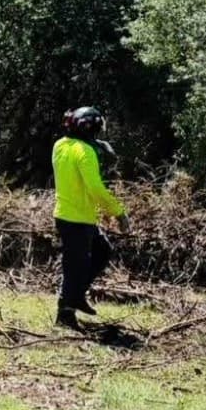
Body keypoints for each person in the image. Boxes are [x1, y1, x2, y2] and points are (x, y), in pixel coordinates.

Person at [53, 106, 130, 330]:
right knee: (75, 266)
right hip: (77, 218)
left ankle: (75, 296)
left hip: (69, 215)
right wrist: (118, 212)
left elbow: (74, 157)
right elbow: (95, 188)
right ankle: (65, 315)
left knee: (101, 251)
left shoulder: (60, 145)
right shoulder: (85, 152)